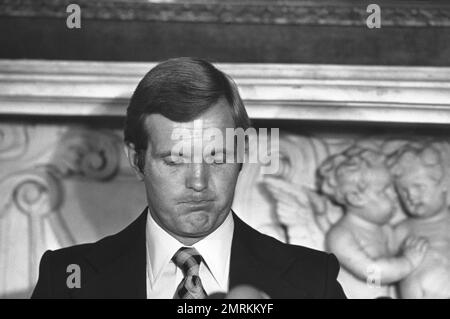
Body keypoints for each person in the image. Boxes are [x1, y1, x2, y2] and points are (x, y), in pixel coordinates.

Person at [31, 57, 346, 299]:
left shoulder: (312, 281)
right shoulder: (65, 280)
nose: (198, 182)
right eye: (175, 160)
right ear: (136, 160)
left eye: (217, 157)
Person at [316, 146, 428, 298]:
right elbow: (371, 274)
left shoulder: (385, 229)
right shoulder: (341, 235)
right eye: (384, 190)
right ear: (356, 198)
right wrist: (408, 262)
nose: (395, 195)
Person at [388, 142, 450, 298]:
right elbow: (373, 276)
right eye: (403, 190)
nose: (411, 196)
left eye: (419, 186)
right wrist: (403, 263)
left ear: (444, 184)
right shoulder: (401, 231)